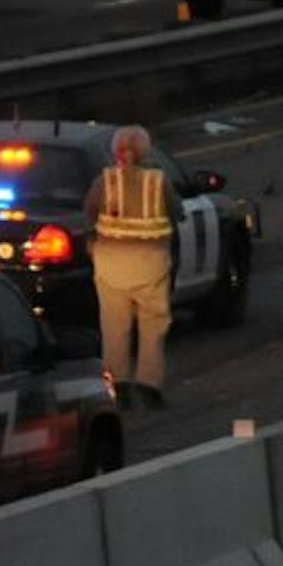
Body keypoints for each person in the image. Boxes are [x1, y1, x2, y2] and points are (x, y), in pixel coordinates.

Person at [84, 125, 180, 410]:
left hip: (111, 265)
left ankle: (119, 385)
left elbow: (89, 213)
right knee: (153, 326)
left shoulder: (104, 182)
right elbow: (176, 212)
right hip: (151, 265)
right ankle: (149, 385)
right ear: (144, 150)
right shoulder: (158, 181)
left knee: (114, 327)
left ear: (115, 151)